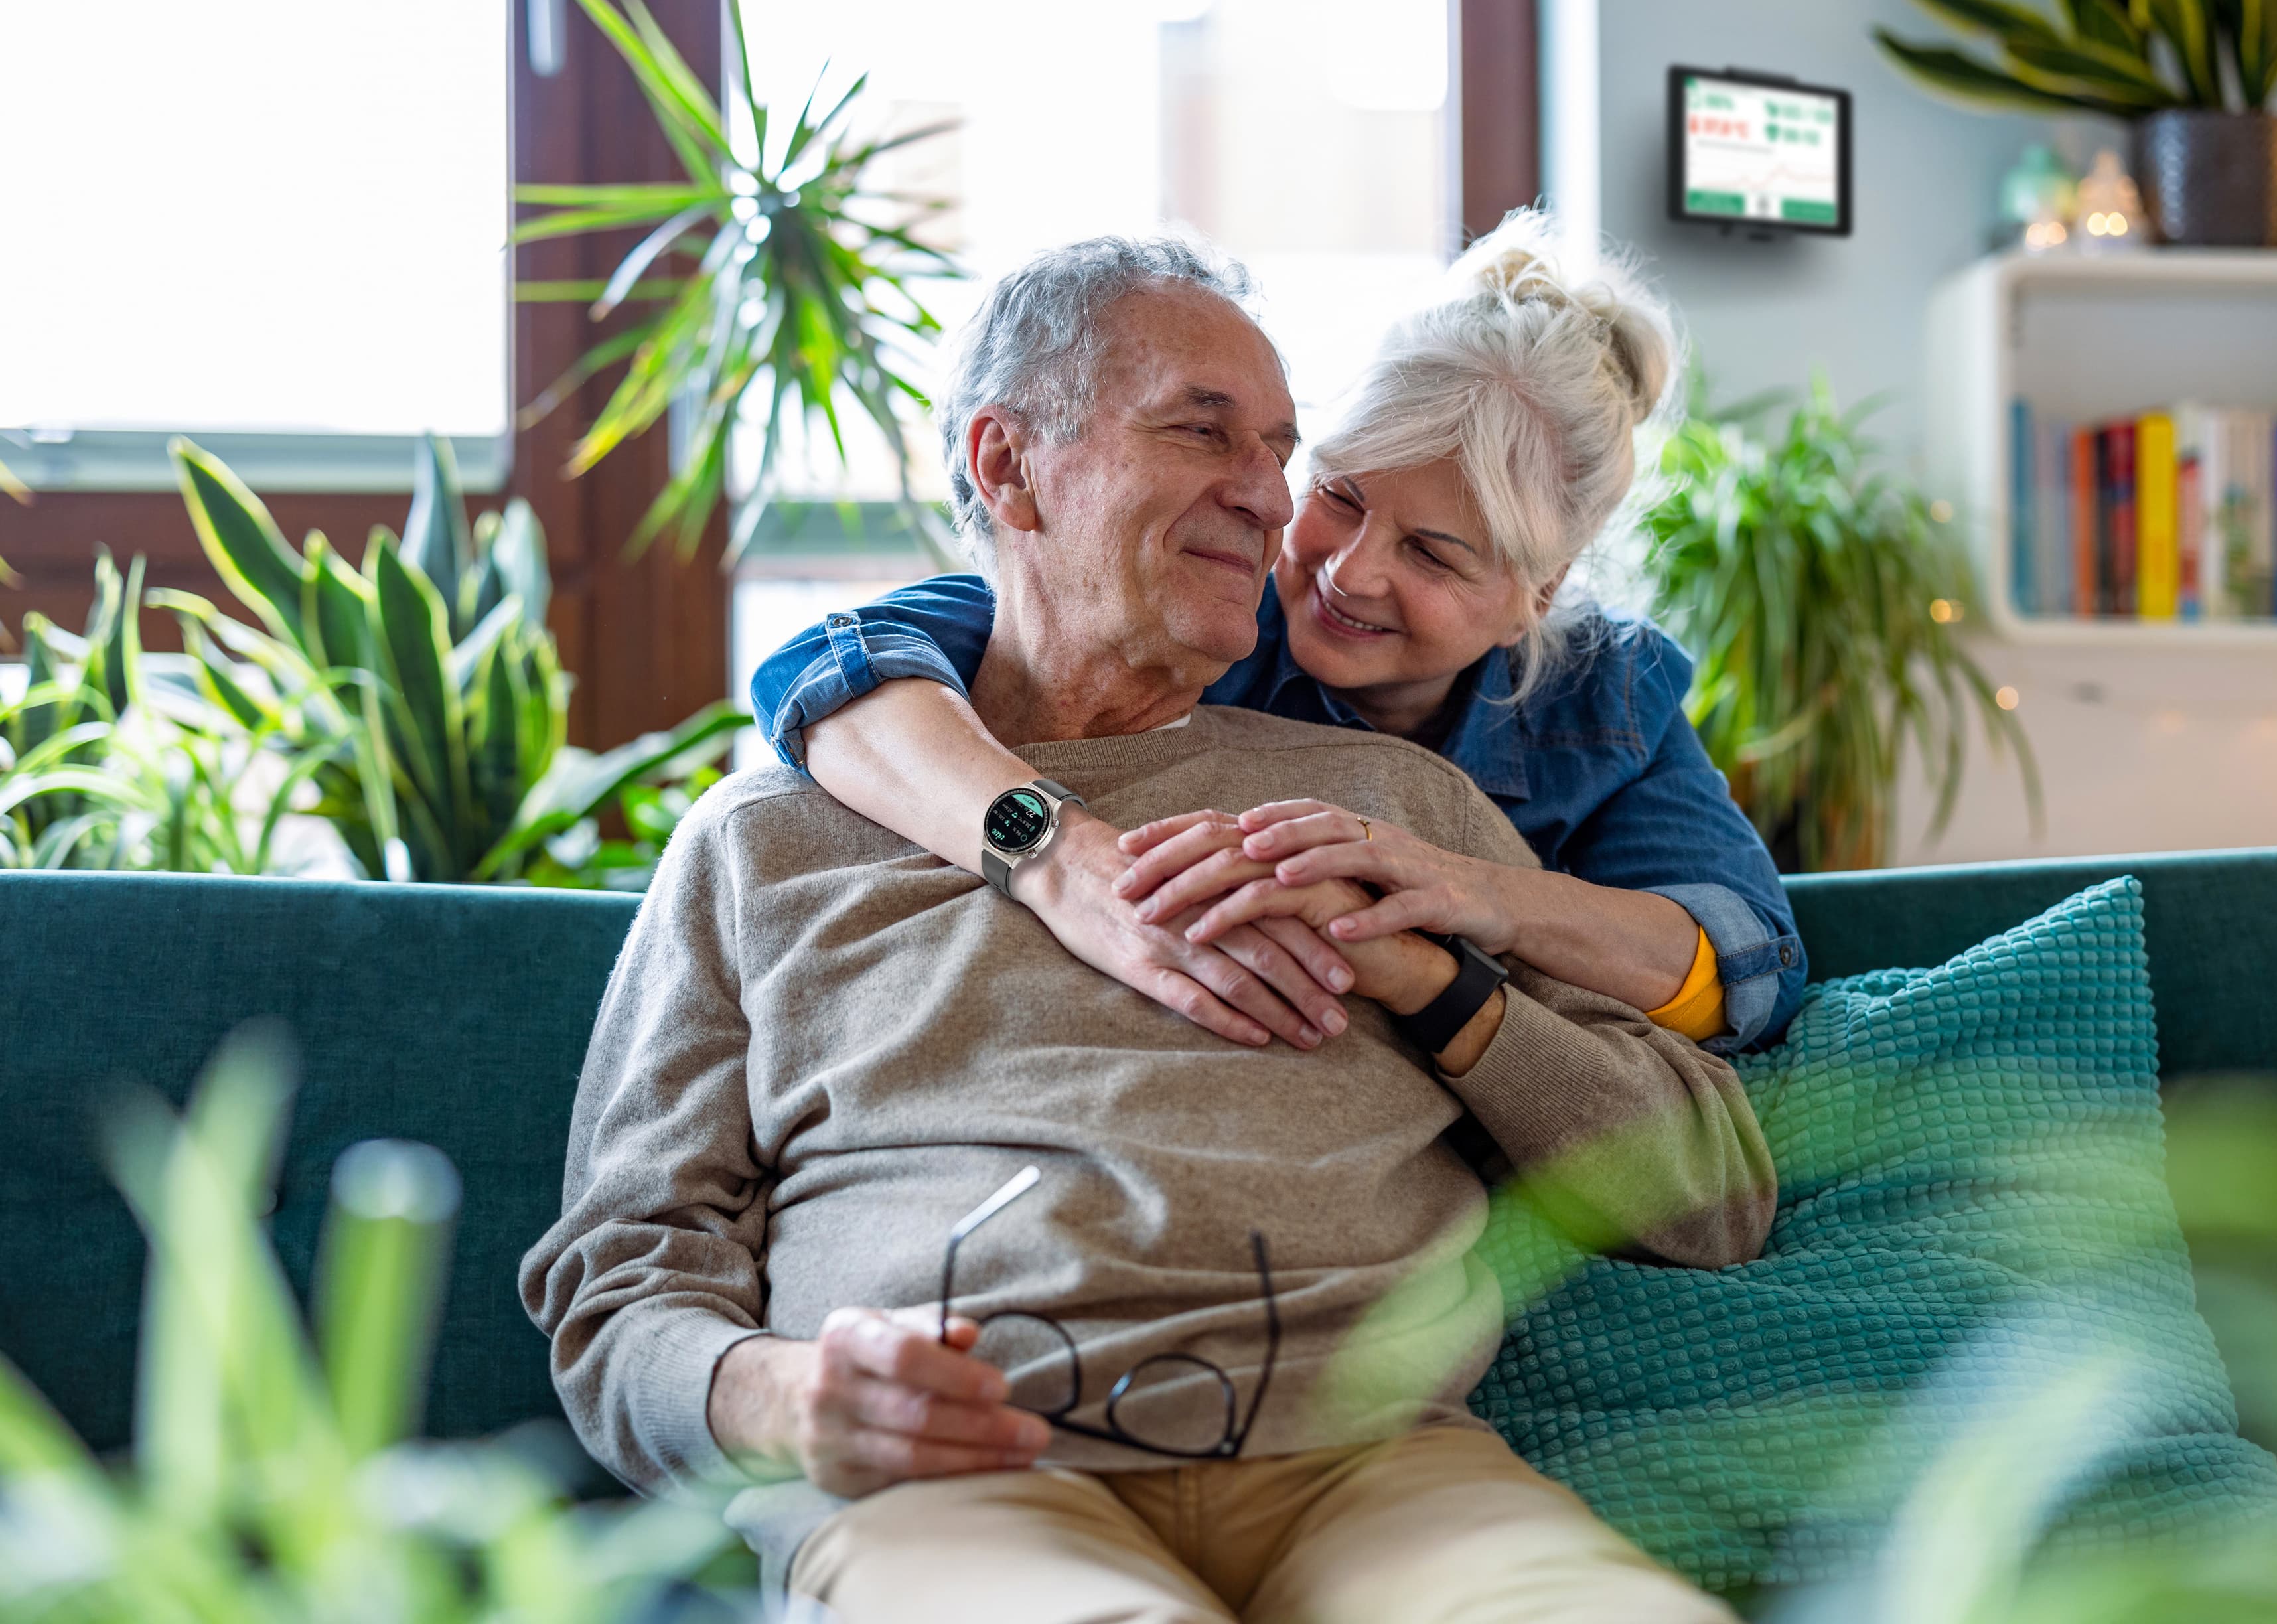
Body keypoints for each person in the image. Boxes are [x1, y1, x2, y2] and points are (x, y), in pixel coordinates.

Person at [522, 235, 1774, 1624]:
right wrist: (787, 1394)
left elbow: (1716, 1179)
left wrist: (1439, 981)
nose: (1274, 500)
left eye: (1281, 447)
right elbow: (621, 1281)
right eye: (1205, 432)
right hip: (964, 1482)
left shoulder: (1398, 811)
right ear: (1009, 469)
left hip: (1379, 1471)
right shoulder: (772, 836)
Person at [749, 211, 1805, 1070]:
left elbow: (1747, 964)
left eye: (1434, 554)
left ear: (1539, 591)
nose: (1350, 571)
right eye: (1339, 497)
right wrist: (1059, 858)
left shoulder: (1605, 698)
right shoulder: (1204, 613)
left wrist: (1474, 889)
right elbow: (832, 674)